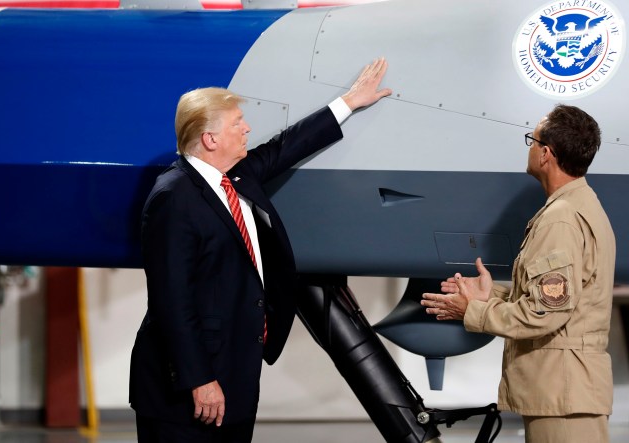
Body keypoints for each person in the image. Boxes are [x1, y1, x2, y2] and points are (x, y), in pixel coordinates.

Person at [129, 58, 392, 442]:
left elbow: (285, 147)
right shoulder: (173, 198)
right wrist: (200, 379)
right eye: (237, 123)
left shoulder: (236, 176)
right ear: (210, 139)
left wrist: (349, 102)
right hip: (187, 390)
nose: (247, 128)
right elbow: (172, 301)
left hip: (234, 379)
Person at [422, 105, 615, 443]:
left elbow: (543, 315)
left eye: (532, 140)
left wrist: (472, 311)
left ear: (546, 154)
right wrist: (492, 294)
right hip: (564, 393)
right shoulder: (580, 206)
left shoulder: (561, 220)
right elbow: (558, 299)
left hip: (562, 398)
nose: (528, 147)